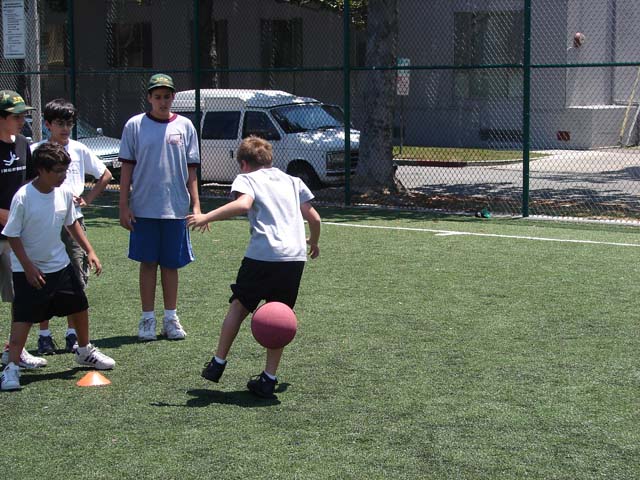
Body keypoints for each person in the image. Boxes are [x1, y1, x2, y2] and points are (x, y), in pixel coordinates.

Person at [187, 136, 321, 399]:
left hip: (263, 254)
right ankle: (269, 379)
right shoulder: (293, 181)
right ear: (270, 159)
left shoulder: (247, 179)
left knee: (239, 306)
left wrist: (205, 216)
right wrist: (313, 242)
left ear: (244, 164)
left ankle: (217, 363)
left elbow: (243, 204)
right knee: (279, 316)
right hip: (293, 258)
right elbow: (314, 218)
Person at [0, 142, 115, 391]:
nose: (64, 176)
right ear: (41, 170)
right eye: (58, 171)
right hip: (29, 271)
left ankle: (84, 351)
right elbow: (12, 234)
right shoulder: (23, 197)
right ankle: (11, 368)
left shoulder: (63, 193)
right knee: (23, 319)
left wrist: (90, 250)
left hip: (60, 266)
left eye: (65, 170)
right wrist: (28, 267)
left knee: (80, 305)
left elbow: (71, 222)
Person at [118, 73, 202, 341]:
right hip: (143, 208)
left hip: (176, 208)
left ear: (173, 97)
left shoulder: (186, 126)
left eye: (167, 96)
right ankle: (147, 319)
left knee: (170, 264)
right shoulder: (134, 125)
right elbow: (126, 169)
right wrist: (123, 205)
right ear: (149, 98)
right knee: (147, 263)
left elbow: (192, 171)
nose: (163, 101)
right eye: (157, 97)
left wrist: (196, 206)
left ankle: (170, 318)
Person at [33, 98, 113, 355]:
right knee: (42, 276)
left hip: (73, 220)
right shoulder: (36, 150)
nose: (65, 128)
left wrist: (87, 198)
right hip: (43, 222)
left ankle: (72, 334)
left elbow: (106, 175)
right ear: (47, 125)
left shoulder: (79, 149)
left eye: (69, 123)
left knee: (76, 276)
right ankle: (44, 335)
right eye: (60, 123)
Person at [0, 89, 48, 370]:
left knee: (19, 296)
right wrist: (10, 218)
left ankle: (14, 350)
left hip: (15, 236)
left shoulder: (22, 144)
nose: (22, 121)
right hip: (6, 228)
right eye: (16, 116)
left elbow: (29, 185)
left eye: (23, 116)